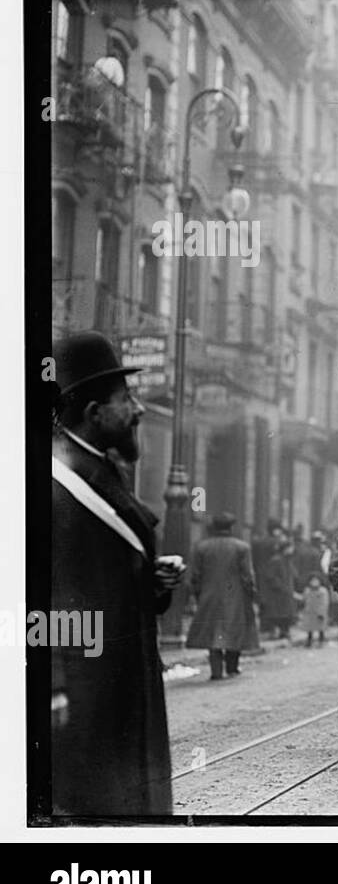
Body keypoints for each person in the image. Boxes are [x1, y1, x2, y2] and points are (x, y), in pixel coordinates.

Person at [50, 331, 181, 815]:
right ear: (92, 412)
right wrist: (54, 687)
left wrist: (152, 585)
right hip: (86, 699)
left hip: (122, 690)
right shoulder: (57, 486)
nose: (138, 410)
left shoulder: (102, 472)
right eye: (125, 398)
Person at [185, 512, 258, 680]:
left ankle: (216, 671)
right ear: (231, 527)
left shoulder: (201, 547)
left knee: (213, 631)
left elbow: (194, 575)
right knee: (234, 629)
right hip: (236, 594)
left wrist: (197, 594)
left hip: (209, 594)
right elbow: (247, 575)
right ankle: (232, 668)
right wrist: (252, 593)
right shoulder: (241, 547)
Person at [260, 526, 298, 639]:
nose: (292, 550)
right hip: (278, 593)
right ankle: (279, 631)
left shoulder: (287, 560)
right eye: (290, 548)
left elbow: (293, 574)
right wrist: (281, 587)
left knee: (286, 614)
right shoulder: (276, 560)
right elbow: (271, 577)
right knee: (279, 614)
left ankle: (284, 631)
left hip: (286, 592)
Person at [299, 573, 330, 647]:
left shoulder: (323, 591)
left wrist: (322, 612)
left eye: (316, 580)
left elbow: (325, 602)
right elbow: (304, 599)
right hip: (309, 612)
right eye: (312, 581)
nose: (314, 582)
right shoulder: (307, 590)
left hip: (319, 612)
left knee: (320, 627)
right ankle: (309, 640)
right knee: (310, 627)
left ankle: (321, 640)